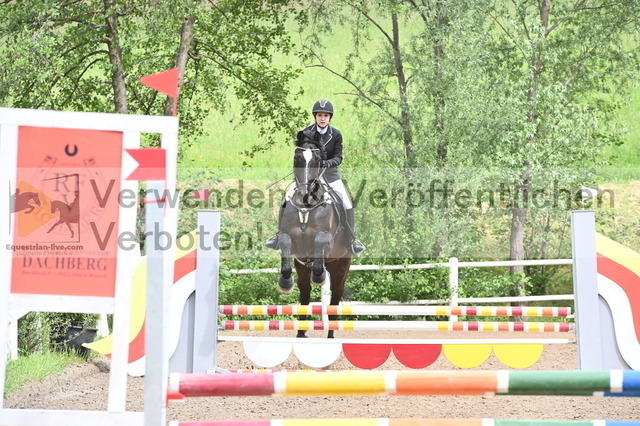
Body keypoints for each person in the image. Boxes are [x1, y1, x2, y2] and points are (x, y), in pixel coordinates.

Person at [265, 99, 366, 254]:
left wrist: (325, 163)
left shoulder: (336, 134)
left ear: (330, 117)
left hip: (330, 175)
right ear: (315, 116)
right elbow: (300, 155)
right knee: (286, 199)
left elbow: (338, 158)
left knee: (347, 202)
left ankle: (351, 241)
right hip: (307, 177)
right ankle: (278, 237)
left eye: (326, 115)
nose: (323, 118)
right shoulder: (306, 133)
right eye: (320, 115)